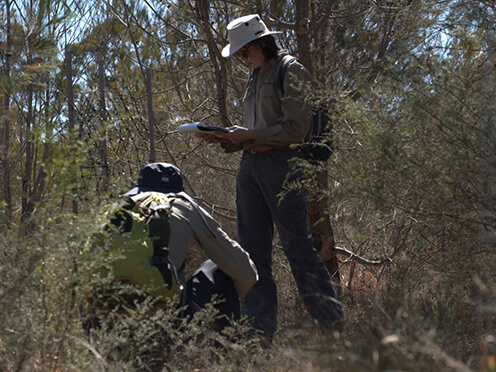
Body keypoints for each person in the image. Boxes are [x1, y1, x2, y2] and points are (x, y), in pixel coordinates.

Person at [198, 14, 344, 337]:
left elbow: (295, 130)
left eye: (244, 52)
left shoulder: (290, 71)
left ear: (261, 43)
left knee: (298, 248)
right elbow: (256, 132)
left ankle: (332, 327)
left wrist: (248, 134)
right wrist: (226, 138)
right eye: (237, 54)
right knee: (251, 254)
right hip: (249, 169)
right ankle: (259, 332)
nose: (241, 59)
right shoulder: (254, 77)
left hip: (283, 166)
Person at [90, 162, 258, 330]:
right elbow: (245, 273)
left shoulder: (115, 209)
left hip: (102, 318)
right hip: (163, 319)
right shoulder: (182, 206)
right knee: (218, 267)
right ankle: (226, 347)